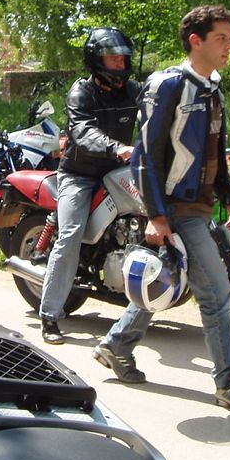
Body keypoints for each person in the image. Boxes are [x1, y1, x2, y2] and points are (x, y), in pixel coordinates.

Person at [94, 4, 230, 414]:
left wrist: (229, 196)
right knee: (216, 292)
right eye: (221, 38)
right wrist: (156, 215)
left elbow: (215, 150)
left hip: (200, 205)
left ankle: (117, 345)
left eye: (229, 39)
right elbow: (145, 156)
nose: (229, 46)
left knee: (165, 281)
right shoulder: (168, 85)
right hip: (175, 206)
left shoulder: (212, 89)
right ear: (196, 41)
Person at [37, 28, 141, 344]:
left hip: (119, 169)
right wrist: (117, 147)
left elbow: (159, 110)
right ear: (97, 60)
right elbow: (83, 131)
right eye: (113, 58)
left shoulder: (132, 90)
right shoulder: (81, 93)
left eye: (123, 58)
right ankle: (50, 315)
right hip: (80, 174)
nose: (120, 63)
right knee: (69, 236)